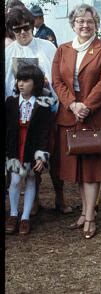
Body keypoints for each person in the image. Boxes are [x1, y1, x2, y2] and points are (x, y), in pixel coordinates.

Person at [52, 3, 101, 239]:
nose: (85, 25)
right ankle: (84, 212)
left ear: (96, 24)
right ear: (73, 24)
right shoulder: (62, 50)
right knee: (79, 167)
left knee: (92, 168)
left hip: (96, 115)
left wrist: (87, 107)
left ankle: (90, 216)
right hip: (71, 114)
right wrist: (72, 104)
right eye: (80, 21)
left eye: (90, 21)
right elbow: (57, 82)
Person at [4, 6, 69, 214]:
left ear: (32, 26)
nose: (23, 33)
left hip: (47, 111)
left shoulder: (47, 47)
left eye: (26, 28)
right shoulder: (9, 52)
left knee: (53, 153)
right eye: (17, 30)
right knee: (26, 154)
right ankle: (34, 200)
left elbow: (58, 78)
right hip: (21, 114)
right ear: (11, 31)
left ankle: (60, 196)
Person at [5, 64, 53, 236]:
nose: (21, 84)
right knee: (16, 180)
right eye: (19, 80)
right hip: (15, 146)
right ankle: (13, 214)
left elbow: (45, 131)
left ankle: (25, 217)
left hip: (32, 147)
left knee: (32, 180)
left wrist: (41, 155)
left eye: (26, 80)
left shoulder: (43, 103)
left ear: (36, 83)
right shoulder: (10, 102)